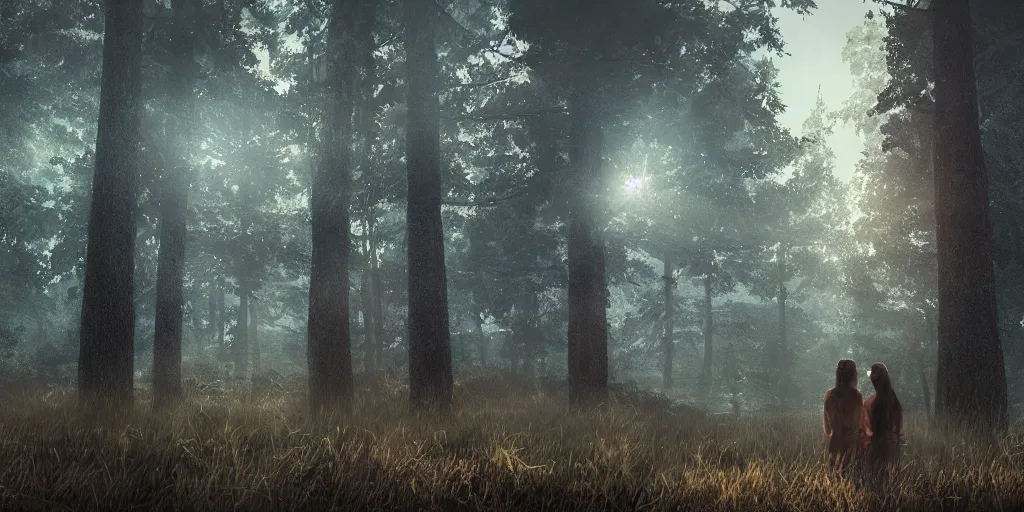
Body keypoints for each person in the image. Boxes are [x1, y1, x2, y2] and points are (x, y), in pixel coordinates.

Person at [823, 359, 865, 470]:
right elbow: (860, 425)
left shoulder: (829, 395)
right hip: (853, 446)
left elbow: (828, 430)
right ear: (853, 375)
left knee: (834, 480)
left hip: (835, 444)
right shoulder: (856, 396)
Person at [863, 362, 902, 471]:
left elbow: (867, 431)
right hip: (893, 449)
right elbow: (896, 428)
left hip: (875, 449)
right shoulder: (894, 401)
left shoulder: (869, 403)